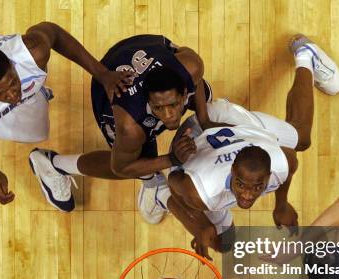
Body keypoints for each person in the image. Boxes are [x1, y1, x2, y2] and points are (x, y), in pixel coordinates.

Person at [0, 22, 132, 224]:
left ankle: (28, 93)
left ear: (11, 65)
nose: (11, 94)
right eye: (1, 92)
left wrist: (102, 74)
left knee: (38, 132)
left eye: (13, 83)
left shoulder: (32, 51)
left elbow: (54, 33)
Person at [165, 34, 339, 256]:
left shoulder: (282, 162)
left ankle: (306, 55)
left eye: (257, 187)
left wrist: (281, 205)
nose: (248, 196)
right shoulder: (201, 190)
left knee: (302, 140)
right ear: (232, 172)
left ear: (269, 176)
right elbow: (173, 184)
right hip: (203, 131)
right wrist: (200, 225)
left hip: (242, 132)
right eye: (241, 185)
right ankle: (306, 54)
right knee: (218, 241)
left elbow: (289, 164)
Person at [28, 34, 214, 223]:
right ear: (148, 101)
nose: (168, 115)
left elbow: (195, 81)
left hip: (140, 48)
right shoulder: (130, 126)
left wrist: (205, 120)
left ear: (183, 92)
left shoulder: (192, 66)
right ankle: (53, 165)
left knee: (205, 98)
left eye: (173, 105)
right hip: (110, 86)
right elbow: (120, 168)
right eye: (158, 108)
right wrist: (171, 159)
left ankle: (182, 111)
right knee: (140, 163)